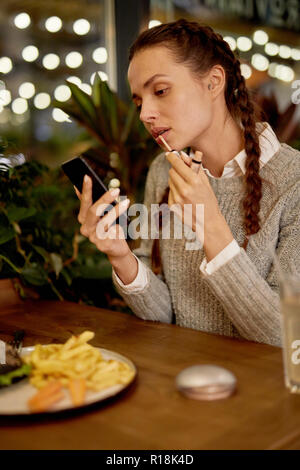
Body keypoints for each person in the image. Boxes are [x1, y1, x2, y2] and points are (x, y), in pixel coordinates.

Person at [75, 19, 300, 347]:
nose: (145, 114)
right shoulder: (162, 172)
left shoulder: (292, 181)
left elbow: (285, 337)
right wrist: (120, 255)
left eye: (161, 91)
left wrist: (212, 227)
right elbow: (166, 316)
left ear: (213, 82)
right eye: (139, 102)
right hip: (179, 380)